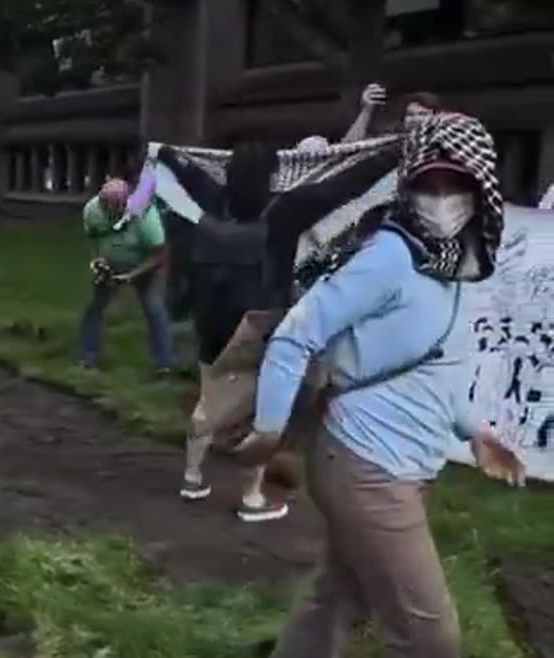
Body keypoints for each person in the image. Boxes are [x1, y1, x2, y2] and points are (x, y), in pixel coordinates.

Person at [240, 112, 523, 658]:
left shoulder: (448, 266)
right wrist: (269, 427)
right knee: (430, 638)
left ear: (480, 189)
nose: (442, 199)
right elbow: (294, 336)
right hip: (366, 465)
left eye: (456, 185)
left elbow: (433, 369)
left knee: (343, 592)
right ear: (408, 185)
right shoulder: (392, 256)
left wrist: (478, 435)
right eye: (429, 183)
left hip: (398, 465)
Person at [157, 139, 396, 522]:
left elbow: (188, 174)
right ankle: (251, 498)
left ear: (229, 170)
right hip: (259, 323)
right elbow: (346, 185)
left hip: (211, 318)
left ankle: (192, 477)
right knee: (262, 411)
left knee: (210, 397)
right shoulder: (286, 211)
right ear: (273, 174)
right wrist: (393, 154)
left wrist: (167, 153)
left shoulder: (214, 199)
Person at [78, 177, 172, 372]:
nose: (111, 212)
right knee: (94, 306)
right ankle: (88, 357)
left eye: (116, 208)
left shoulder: (145, 214)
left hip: (146, 265)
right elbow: (93, 238)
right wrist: (98, 260)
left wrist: (133, 275)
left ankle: (163, 364)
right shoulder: (91, 210)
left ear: (126, 202)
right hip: (110, 264)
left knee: (153, 307)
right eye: (107, 207)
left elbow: (161, 255)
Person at [342, 83, 444, 142]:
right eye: (410, 115)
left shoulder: (444, 139)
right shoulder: (391, 140)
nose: (415, 119)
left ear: (435, 117)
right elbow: (347, 149)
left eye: (422, 114)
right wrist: (366, 110)